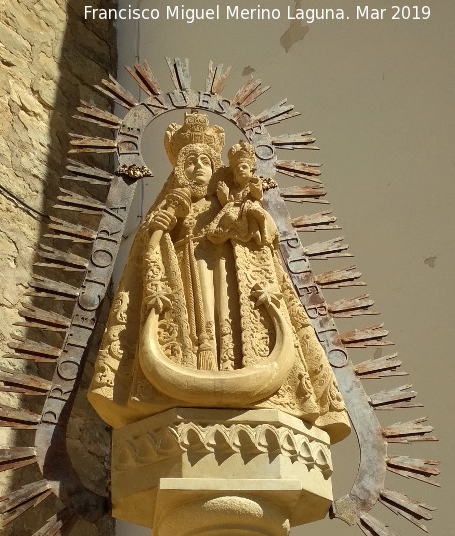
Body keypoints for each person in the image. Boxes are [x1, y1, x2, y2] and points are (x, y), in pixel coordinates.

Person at [88, 112, 349, 442]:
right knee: (199, 322)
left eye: (205, 161)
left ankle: (232, 365)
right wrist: (166, 220)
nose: (198, 167)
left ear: (215, 167)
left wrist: (242, 213)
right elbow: (147, 246)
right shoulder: (172, 200)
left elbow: (263, 239)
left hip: (231, 276)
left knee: (226, 317)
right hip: (185, 272)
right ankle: (197, 366)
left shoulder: (230, 201)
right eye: (191, 162)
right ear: (181, 169)